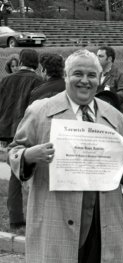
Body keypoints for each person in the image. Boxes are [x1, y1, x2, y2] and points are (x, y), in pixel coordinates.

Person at [8, 49, 123, 262]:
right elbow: (14, 151)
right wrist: (29, 155)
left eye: (91, 75)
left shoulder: (115, 117)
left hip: (102, 218)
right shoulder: (40, 111)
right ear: (66, 76)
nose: (85, 81)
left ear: (99, 79)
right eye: (78, 74)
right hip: (56, 215)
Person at [0, 48, 43, 230]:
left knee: (14, 176)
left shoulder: (6, 80)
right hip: (29, 131)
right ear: (37, 62)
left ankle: (15, 217)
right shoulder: (38, 81)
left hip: (9, 130)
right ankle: (35, 217)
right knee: (37, 176)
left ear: (21, 60)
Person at [96, 46, 123, 114]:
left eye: (100, 56)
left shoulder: (120, 74)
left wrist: (108, 97)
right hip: (100, 113)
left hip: (116, 113)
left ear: (109, 59)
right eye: (96, 56)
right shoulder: (96, 74)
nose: (97, 59)